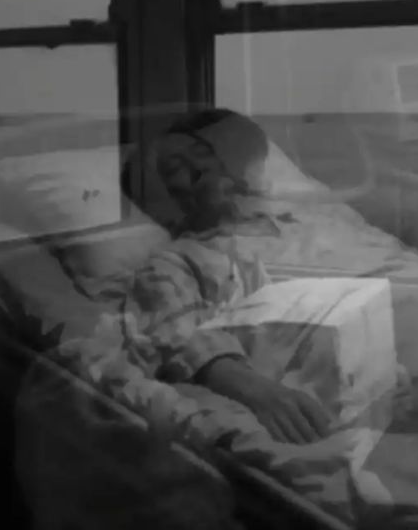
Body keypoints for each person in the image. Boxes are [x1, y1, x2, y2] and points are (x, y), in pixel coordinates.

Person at [65, 108, 333, 446]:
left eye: (205, 153)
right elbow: (178, 332)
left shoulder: (275, 243)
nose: (202, 166)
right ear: (169, 202)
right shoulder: (175, 264)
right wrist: (256, 389)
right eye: (177, 168)